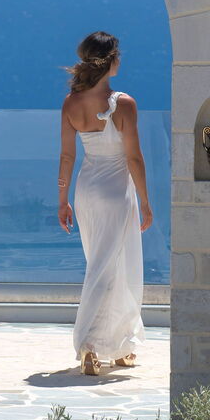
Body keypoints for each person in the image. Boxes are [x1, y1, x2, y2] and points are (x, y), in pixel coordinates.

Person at [57, 31, 152, 375]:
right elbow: (135, 159)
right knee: (113, 267)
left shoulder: (71, 103)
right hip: (116, 193)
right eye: (118, 55)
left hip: (86, 191)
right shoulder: (124, 103)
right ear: (110, 60)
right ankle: (89, 345)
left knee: (102, 264)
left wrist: (62, 200)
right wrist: (145, 201)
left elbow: (67, 157)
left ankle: (121, 344)